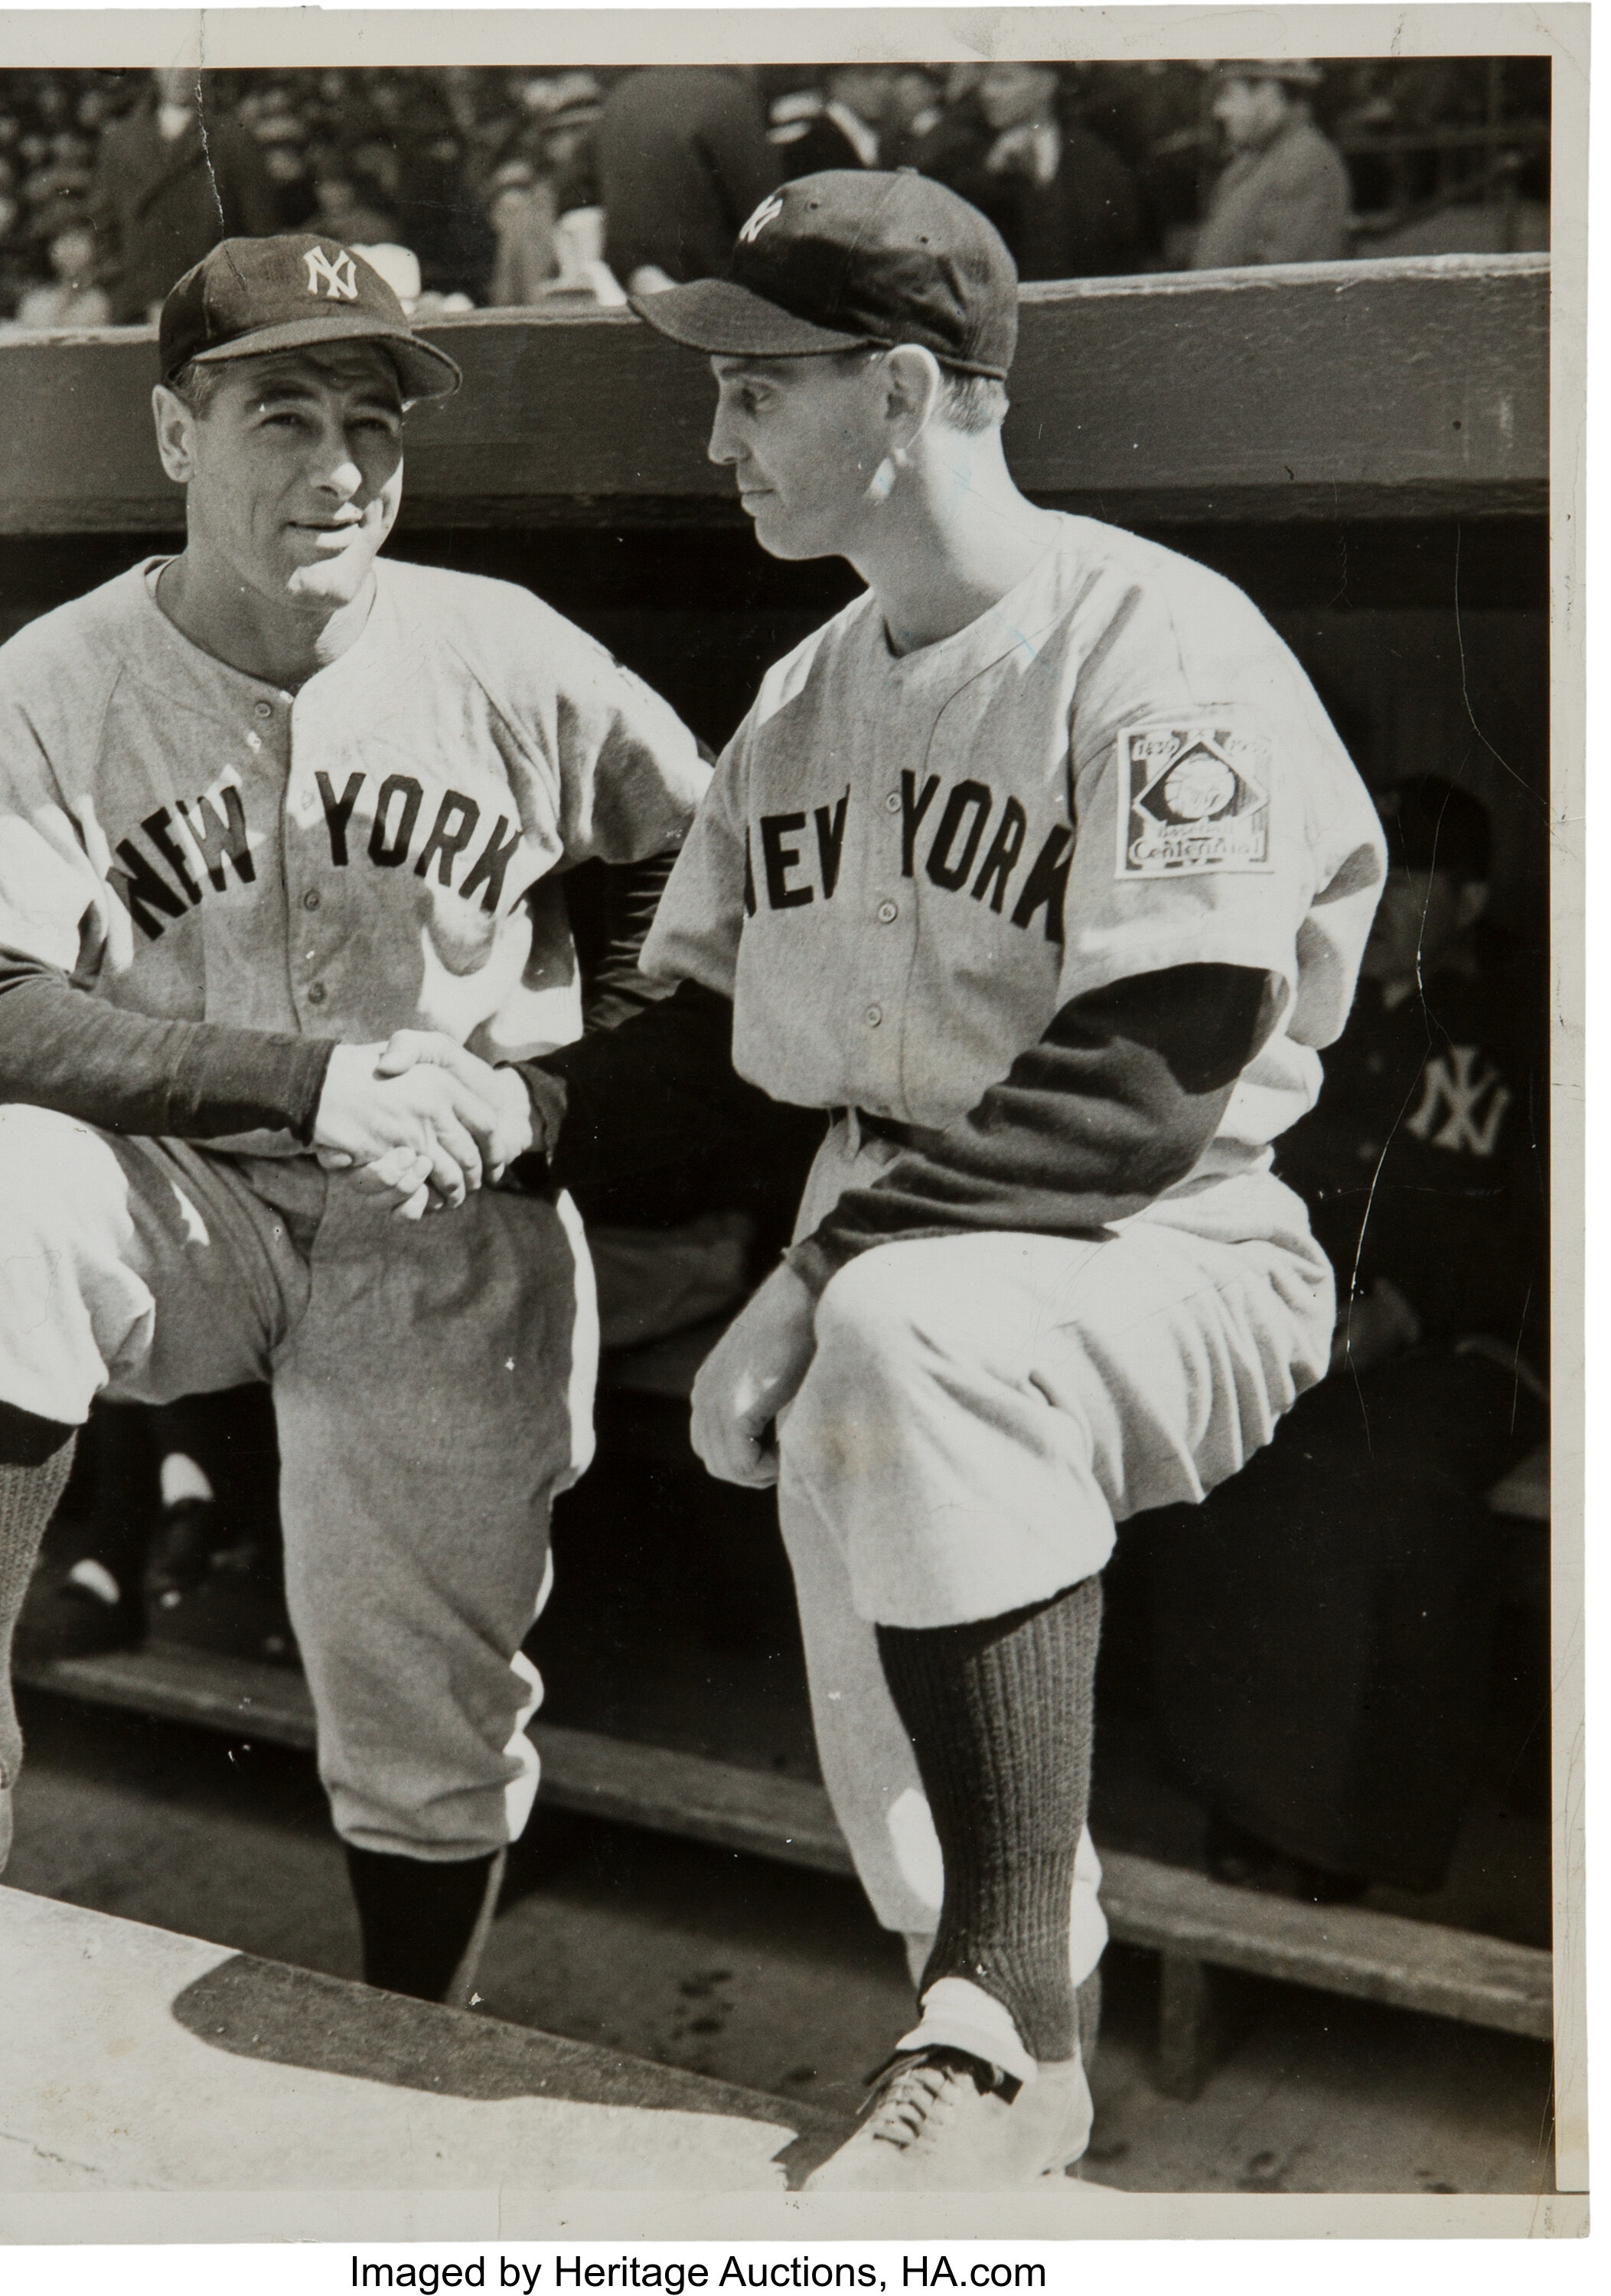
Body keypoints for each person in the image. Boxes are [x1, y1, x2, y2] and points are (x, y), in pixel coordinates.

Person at [440, 169, 1384, 2187]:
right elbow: (705, 1045)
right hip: (891, 1229)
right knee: (888, 1661)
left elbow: (1150, 1074)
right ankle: (1001, 2063)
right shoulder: (808, 696)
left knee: (897, 1334)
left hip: (1167, 1229)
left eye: (756, 388)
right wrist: (504, 1105)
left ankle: (998, 2016)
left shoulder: (1156, 646)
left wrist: (805, 1281)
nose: (717, 438)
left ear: (899, 390)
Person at [0, 233, 709, 2009]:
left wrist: (545, 1100)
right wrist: (306, 1078)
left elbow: (693, 888)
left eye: (372, 423)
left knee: (424, 1720)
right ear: (175, 435)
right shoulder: (60, 677)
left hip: (444, 1218)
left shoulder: (506, 655)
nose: (339, 468)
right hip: (186, 1203)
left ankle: (414, 2024)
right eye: (281, 415)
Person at [1138, 778, 1547, 1899]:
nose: (1388, 905)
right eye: (1375, 881)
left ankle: (1341, 1835)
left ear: (1468, 898)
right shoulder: (1308, 1001)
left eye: (1417, 883)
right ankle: (1240, 1796)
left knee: (1379, 1489)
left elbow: (1543, 1221)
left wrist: (1410, 1309)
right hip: (1302, 1317)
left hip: (1467, 1347)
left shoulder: (1525, 1012)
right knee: (1227, 1445)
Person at [89, 68, 278, 323]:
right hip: (141, 308)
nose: (179, 74)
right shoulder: (120, 142)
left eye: (189, 64)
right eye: (169, 64)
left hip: (214, 305)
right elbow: (104, 228)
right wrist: (132, 296)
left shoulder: (232, 139)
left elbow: (259, 232)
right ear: (153, 70)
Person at [928, 62, 1146, 282]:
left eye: (1004, 79)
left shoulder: (1095, 159)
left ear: (1046, 85)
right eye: (983, 82)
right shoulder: (964, 159)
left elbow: (1119, 251)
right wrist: (989, 176)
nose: (987, 93)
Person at [597, 66, 780, 298]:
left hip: (637, 288)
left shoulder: (620, 98)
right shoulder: (726, 97)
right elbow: (766, 214)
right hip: (713, 293)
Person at [1191, 60, 1352, 270]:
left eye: (1228, 95)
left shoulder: (1304, 160)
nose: (1219, 111)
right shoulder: (1261, 157)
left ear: (1268, 94)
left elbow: (1279, 280)